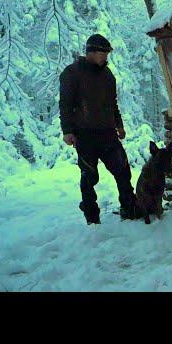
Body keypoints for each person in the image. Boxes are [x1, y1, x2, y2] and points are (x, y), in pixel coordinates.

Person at [59, 34, 141, 224]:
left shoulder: (107, 75)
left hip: (108, 133)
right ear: (91, 52)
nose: (106, 57)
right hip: (84, 134)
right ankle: (91, 216)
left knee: (122, 170)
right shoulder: (72, 73)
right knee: (89, 176)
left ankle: (129, 208)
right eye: (103, 53)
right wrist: (67, 131)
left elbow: (112, 103)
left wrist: (119, 125)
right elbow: (65, 104)